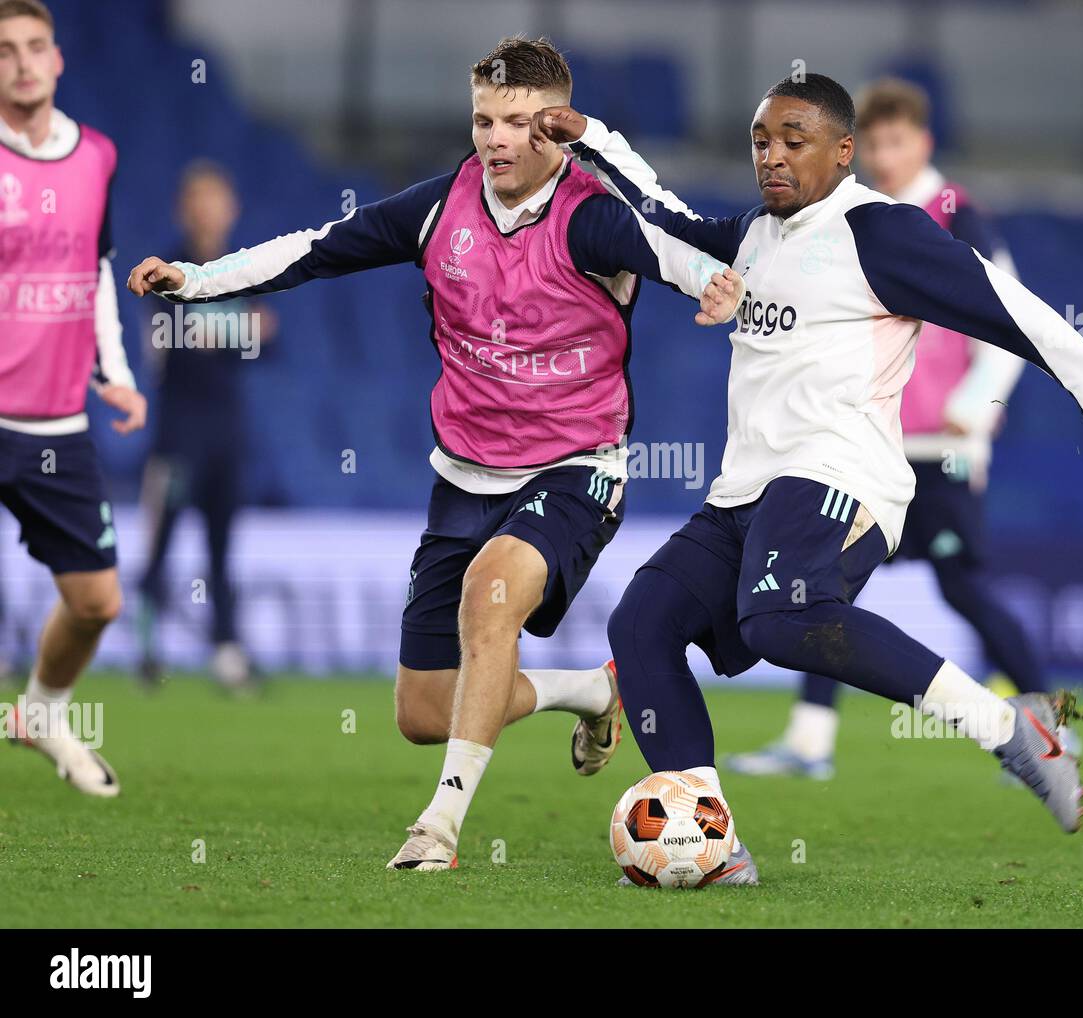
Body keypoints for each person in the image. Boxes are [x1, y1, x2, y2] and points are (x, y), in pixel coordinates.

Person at [127, 36, 745, 873]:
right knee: (423, 712)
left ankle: (439, 830)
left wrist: (718, 283)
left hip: (574, 470)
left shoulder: (593, 217)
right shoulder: (437, 208)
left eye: (519, 122)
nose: (495, 137)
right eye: (484, 118)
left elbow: (684, 250)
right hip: (462, 477)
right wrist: (197, 281)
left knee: (492, 605)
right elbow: (315, 249)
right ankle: (593, 690)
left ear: (556, 130)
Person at [534, 72, 1083, 884]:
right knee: (642, 626)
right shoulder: (756, 237)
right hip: (746, 488)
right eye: (761, 140)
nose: (772, 156)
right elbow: (659, 214)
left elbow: (1017, 311)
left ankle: (1010, 731)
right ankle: (712, 842)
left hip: (842, 475)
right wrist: (589, 135)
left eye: (793, 141)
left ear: (843, 152)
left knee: (778, 619)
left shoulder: (881, 231)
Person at [725, 77, 1062, 781]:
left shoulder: (953, 214)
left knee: (961, 585)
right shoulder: (854, 214)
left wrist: (976, 402)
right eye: (875, 143)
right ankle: (810, 742)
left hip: (940, 445)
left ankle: (1048, 729)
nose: (886, 155)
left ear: (924, 143)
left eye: (897, 142)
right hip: (863, 444)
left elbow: (1010, 314)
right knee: (820, 596)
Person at [0, 0, 147, 796]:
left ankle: (40, 710)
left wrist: (113, 371)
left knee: (96, 602)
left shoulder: (96, 155)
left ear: (57, 60)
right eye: (4, 51)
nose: (21, 62)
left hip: (57, 420)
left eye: (34, 47)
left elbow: (96, 269)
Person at [135, 161, 267, 690]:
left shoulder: (245, 268)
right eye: (199, 201)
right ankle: (146, 650)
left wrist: (222, 331)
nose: (209, 212)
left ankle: (225, 649)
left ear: (231, 208)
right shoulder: (165, 268)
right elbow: (173, 339)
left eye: (217, 200)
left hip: (227, 428)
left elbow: (268, 340)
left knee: (221, 544)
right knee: (162, 540)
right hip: (177, 431)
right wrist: (236, 330)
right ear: (184, 208)